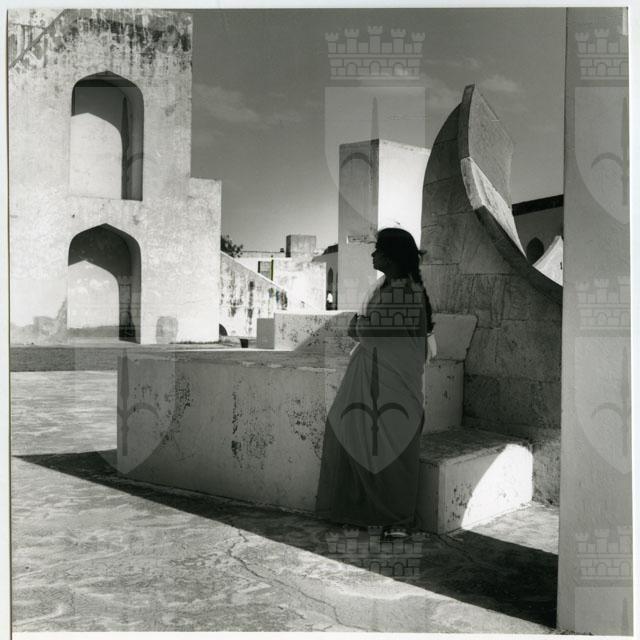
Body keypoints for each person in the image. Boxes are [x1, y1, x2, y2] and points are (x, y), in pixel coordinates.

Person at [315, 227, 436, 538]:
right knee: (353, 435)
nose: (373, 254)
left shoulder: (404, 292)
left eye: (378, 249)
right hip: (373, 379)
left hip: (394, 384)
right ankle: (362, 512)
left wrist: (357, 326)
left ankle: (396, 519)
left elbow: (372, 331)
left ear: (391, 256)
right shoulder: (389, 287)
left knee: (390, 449)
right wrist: (361, 326)